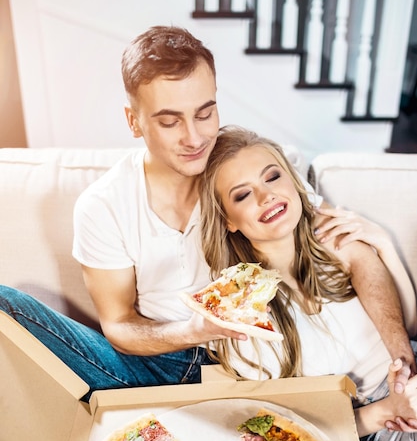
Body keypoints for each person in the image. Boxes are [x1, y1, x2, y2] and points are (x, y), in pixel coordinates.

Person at [0, 26, 414, 400]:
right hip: (168, 360)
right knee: (9, 305)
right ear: (134, 121)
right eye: (169, 121)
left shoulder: (248, 169)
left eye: (204, 112)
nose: (195, 137)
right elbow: (120, 324)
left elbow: (345, 252)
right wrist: (196, 331)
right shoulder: (103, 206)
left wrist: (400, 357)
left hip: (262, 360)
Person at [198, 124, 417, 441]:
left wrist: (405, 369)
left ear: (294, 182)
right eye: (242, 195)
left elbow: (405, 330)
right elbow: (288, 427)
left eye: (272, 177)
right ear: (228, 221)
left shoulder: (335, 240)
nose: (265, 196)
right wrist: (390, 408)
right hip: (373, 426)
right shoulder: (241, 310)